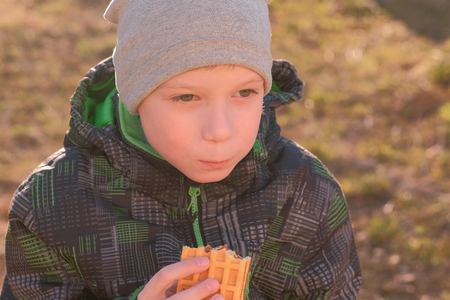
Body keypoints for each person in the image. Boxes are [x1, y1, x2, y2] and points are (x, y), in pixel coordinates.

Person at [1, 0, 361, 299]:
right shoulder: (52, 204)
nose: (220, 131)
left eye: (245, 93)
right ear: (134, 97)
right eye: (186, 97)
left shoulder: (306, 192)